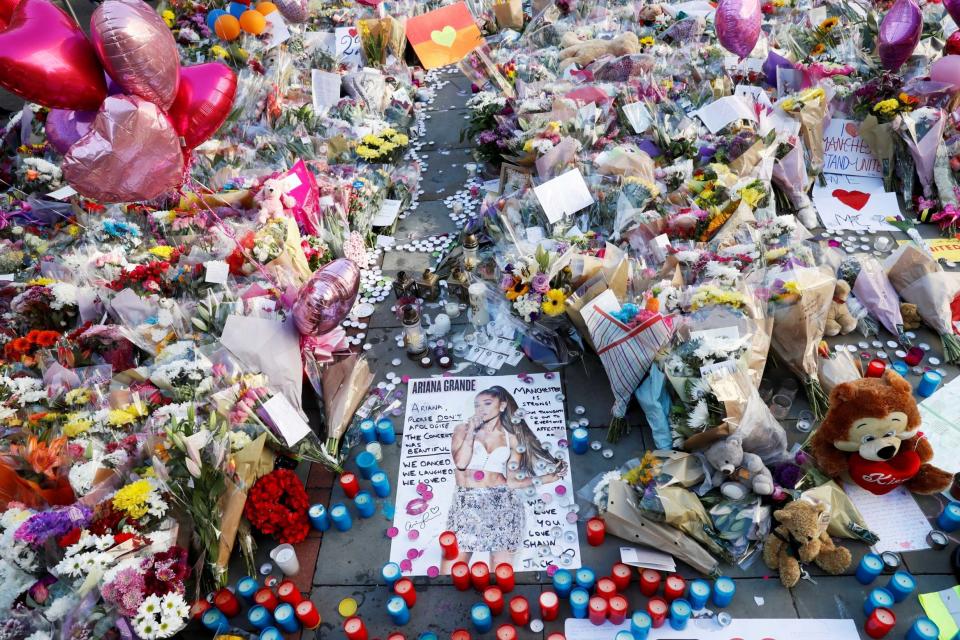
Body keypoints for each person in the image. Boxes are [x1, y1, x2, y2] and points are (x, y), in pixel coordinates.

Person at [441, 385, 568, 573]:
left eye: (487, 403)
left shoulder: (511, 439)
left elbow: (512, 483)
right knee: (450, 573)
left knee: (500, 575)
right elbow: (460, 463)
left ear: (502, 406)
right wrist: (470, 434)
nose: (480, 409)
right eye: (477, 405)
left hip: (503, 506)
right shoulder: (462, 429)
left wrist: (548, 478)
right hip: (466, 504)